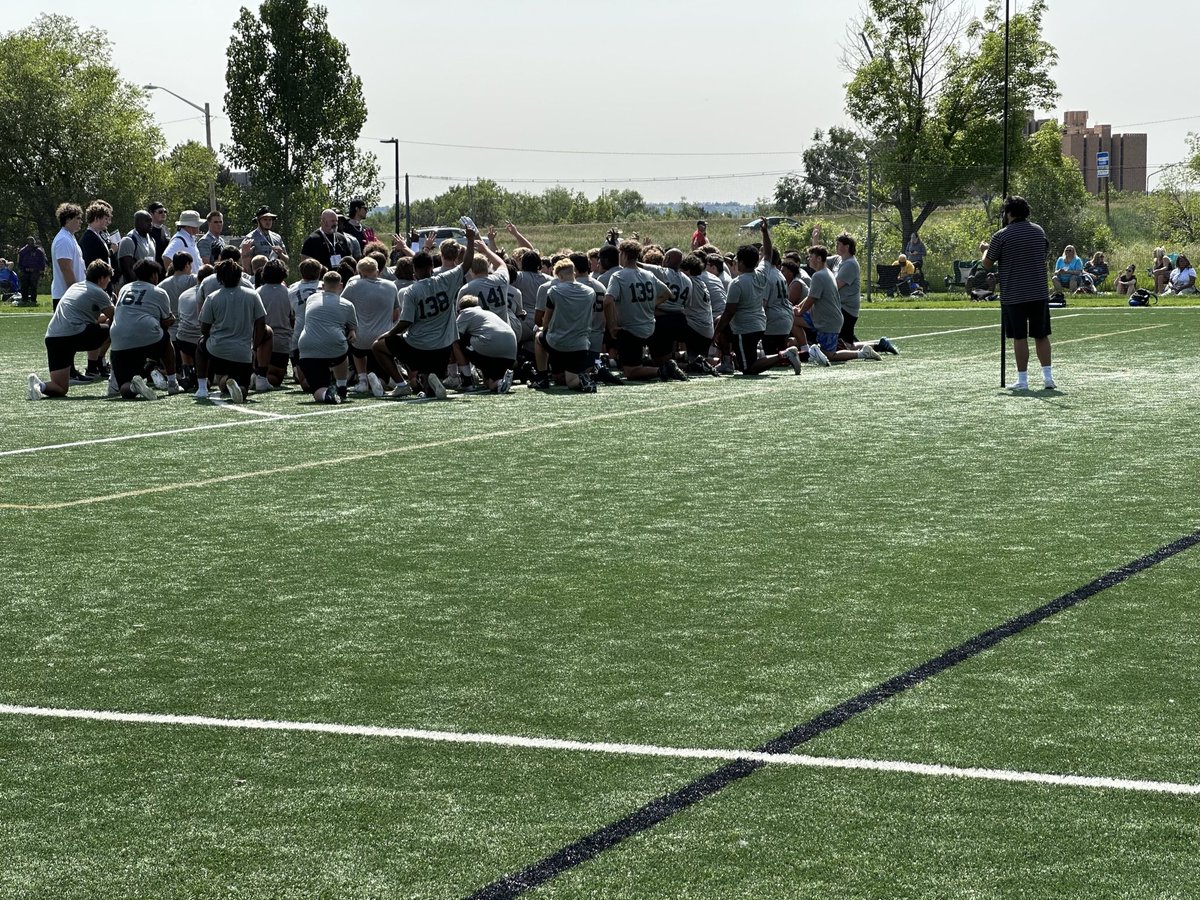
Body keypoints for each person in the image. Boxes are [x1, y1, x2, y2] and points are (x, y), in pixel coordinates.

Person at [373, 223, 478, 399]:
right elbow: (466, 264)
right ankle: (430, 380)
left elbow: (406, 322)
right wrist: (470, 239)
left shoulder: (412, 291)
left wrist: (388, 334)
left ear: (414, 271)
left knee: (377, 346)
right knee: (428, 389)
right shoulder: (445, 280)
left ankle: (401, 384)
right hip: (443, 348)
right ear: (431, 268)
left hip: (418, 346)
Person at [978, 196, 1055, 391]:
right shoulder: (1038, 231)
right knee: (1041, 335)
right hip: (1038, 291)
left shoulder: (1001, 236)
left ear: (1009, 213)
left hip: (1014, 294)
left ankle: (1023, 380)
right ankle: (1048, 378)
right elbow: (1042, 252)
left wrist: (985, 250)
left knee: (1019, 337)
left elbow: (987, 264)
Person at [712, 221, 805, 375]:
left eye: (737, 260)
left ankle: (784, 355)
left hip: (744, 328)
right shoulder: (761, 274)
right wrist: (765, 232)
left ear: (741, 262)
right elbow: (768, 253)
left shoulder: (737, 283)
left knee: (748, 368)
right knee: (719, 321)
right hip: (760, 324)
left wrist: (715, 333)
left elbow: (729, 313)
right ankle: (727, 361)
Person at [28, 259, 115, 400]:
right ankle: (108, 370)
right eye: (108, 278)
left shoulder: (75, 287)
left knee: (61, 388)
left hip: (53, 338)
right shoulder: (99, 292)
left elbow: (88, 318)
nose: (109, 281)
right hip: (74, 335)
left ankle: (39, 386)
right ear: (101, 278)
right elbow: (117, 317)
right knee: (115, 329)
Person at [601, 238, 687, 382]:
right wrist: (651, 304)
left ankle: (662, 370)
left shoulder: (618, 276)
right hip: (651, 327)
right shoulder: (648, 274)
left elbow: (608, 301)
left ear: (624, 255)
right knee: (653, 360)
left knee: (630, 372)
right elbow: (667, 293)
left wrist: (611, 326)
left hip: (631, 329)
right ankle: (666, 366)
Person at [795, 246, 883, 365]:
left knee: (830, 355)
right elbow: (810, 295)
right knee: (792, 318)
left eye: (811, 257)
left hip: (828, 321)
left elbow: (812, 299)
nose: (808, 259)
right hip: (819, 318)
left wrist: (800, 311)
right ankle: (806, 349)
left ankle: (862, 353)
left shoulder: (819, 275)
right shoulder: (825, 273)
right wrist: (798, 307)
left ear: (819, 259)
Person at [197, 259, 267, 402]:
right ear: (240, 276)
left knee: (200, 345)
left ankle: (202, 386)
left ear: (219, 278)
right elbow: (261, 324)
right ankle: (239, 387)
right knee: (243, 388)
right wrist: (254, 347)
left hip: (218, 350)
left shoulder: (212, 298)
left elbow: (204, 328)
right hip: (243, 352)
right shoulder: (252, 295)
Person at [108, 258, 177, 399]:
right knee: (165, 338)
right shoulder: (159, 292)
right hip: (146, 336)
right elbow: (166, 321)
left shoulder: (124, 288)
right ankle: (172, 383)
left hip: (118, 341)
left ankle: (131, 386)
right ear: (153, 275)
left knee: (124, 387)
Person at [298, 270, 358, 404]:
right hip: (335, 348)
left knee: (318, 390)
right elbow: (353, 330)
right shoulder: (348, 304)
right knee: (343, 348)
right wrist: (351, 333)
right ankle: (342, 386)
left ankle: (327, 394)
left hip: (307, 347)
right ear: (341, 285)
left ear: (323, 286)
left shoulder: (311, 299)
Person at [341, 256, 399, 395]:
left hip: (361, 339)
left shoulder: (353, 285)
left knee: (357, 350)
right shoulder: (391, 286)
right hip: (382, 338)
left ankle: (362, 380)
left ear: (359, 273)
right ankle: (380, 380)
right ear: (377, 271)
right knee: (383, 364)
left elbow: (341, 305)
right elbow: (396, 313)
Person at [539, 259, 598, 392]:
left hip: (558, 342)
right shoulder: (590, 292)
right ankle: (594, 375)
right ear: (574, 273)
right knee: (571, 382)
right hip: (580, 344)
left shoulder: (554, 291)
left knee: (538, 337)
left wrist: (545, 329)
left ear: (559, 275)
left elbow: (546, 321)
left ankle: (542, 378)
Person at [455, 295, 518, 393]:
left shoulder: (466, 312)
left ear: (460, 309)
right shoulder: (488, 313)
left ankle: (466, 381)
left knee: (455, 341)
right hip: (510, 354)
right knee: (489, 384)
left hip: (490, 348)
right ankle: (500, 383)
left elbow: (454, 336)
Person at [255, 259, 293, 390]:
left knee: (267, 374)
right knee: (276, 379)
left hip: (260, 342)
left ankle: (255, 376)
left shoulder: (258, 292)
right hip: (281, 343)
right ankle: (259, 377)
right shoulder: (289, 293)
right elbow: (292, 319)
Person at [50, 202, 85, 311]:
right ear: (68, 219)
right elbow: (66, 268)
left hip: (70, 295)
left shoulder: (70, 237)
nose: (81, 221)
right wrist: (75, 293)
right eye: (78, 218)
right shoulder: (63, 240)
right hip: (66, 296)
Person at [117, 211, 157, 284]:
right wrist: (139, 285)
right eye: (147, 221)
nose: (150, 224)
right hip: (133, 286)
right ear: (138, 222)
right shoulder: (128, 240)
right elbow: (126, 270)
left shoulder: (152, 240)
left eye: (151, 221)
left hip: (149, 285)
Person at [17, 236, 46, 307]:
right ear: (27, 242)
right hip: (25, 271)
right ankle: (24, 300)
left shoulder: (39, 251)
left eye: (32, 241)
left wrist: (42, 270)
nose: (31, 243)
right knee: (24, 286)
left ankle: (33, 300)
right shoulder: (22, 251)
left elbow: (42, 261)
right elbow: (19, 262)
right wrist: (22, 269)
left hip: (35, 271)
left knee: (33, 286)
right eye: (29, 241)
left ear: (34, 242)